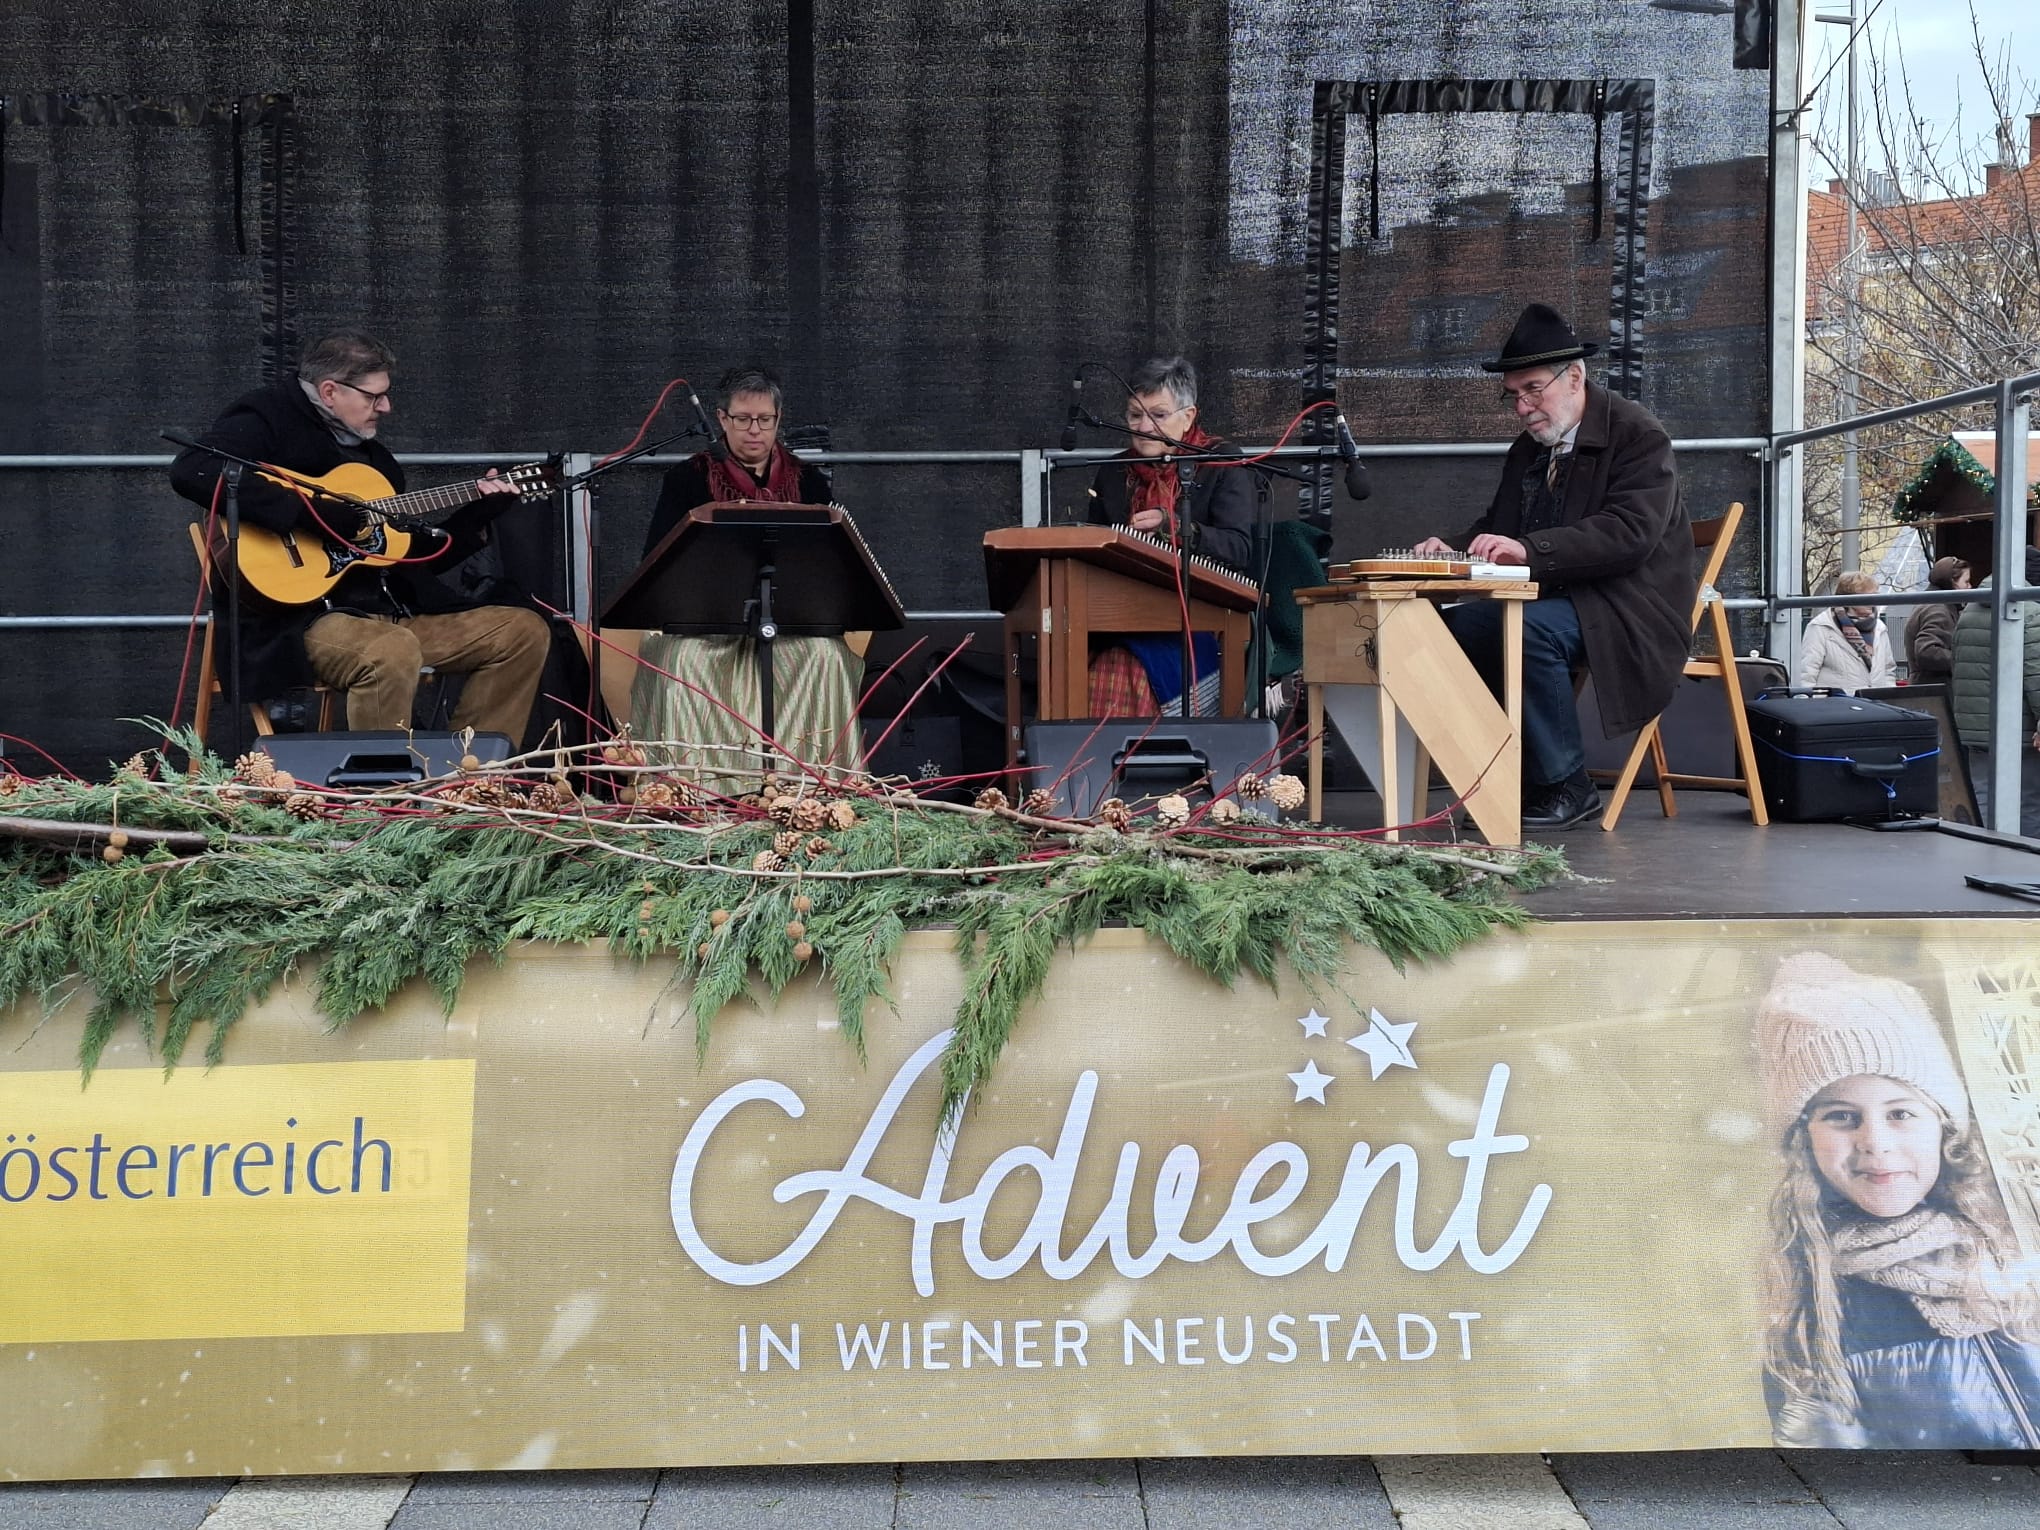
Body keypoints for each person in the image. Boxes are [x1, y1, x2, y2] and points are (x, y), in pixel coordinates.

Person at [169, 330, 550, 742]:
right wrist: (316, 514)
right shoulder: (267, 416)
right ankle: (387, 781)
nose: (385, 407)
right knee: (391, 649)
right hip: (298, 624)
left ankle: (468, 771)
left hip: (386, 613)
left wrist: (479, 514)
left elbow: (407, 557)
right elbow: (193, 470)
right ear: (330, 391)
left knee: (522, 632)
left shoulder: (376, 462)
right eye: (373, 397)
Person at [1413, 304, 1694, 830]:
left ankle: (1567, 785)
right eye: (1514, 395)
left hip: (1628, 609)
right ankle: (1511, 775)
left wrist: (1530, 550)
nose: (1522, 407)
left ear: (1575, 378)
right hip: (1559, 600)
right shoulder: (1530, 450)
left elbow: (1630, 533)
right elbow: (1499, 526)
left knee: (1525, 630)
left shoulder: (1638, 434)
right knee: (1453, 627)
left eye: (1533, 389)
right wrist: (1451, 548)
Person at [1757, 952, 2040, 1448]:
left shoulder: (2023, 1233)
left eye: (1901, 1114)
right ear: (1804, 1141)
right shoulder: (1812, 1305)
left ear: (1943, 1127)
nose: (1875, 1142)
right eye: (1841, 1117)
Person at [629, 365, 862, 793]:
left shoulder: (809, 483)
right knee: (683, 661)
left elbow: (835, 565)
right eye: (743, 419)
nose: (754, 430)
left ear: (778, 419)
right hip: (707, 626)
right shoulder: (686, 479)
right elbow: (657, 565)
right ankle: (700, 793)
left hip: (788, 626)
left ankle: (814, 790)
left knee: (827, 655)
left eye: (765, 419)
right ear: (722, 419)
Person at [1083, 355, 1256, 716]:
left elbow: (1238, 549)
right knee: (1086, 660)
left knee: (1120, 667)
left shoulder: (1221, 463)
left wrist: (1176, 528)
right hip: (1119, 617)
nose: (1144, 426)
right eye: (1135, 415)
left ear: (1188, 416)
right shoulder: (1113, 472)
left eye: (1158, 415)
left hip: (1201, 618)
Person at [1950, 543, 2040, 835]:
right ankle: (2024, 860)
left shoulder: (1970, 610)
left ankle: (1984, 855)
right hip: (2020, 732)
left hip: (1975, 729)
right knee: (2027, 805)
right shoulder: (2029, 612)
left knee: (1984, 800)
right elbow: (2036, 674)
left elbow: (1958, 664)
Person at [1796, 571, 1895, 692]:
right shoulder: (1821, 626)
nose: (1874, 601)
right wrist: (1811, 701)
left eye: (1876, 595)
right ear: (1850, 598)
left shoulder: (1880, 628)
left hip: (1876, 702)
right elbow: (1807, 673)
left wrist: (1889, 698)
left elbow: (1888, 670)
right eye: (1867, 596)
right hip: (1837, 702)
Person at [1905, 556, 1969, 685]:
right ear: (1953, 581)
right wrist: (1962, 661)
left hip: (1926, 686)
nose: (1969, 587)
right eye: (1966, 582)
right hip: (1935, 688)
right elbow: (1926, 652)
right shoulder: (1938, 610)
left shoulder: (1929, 603)